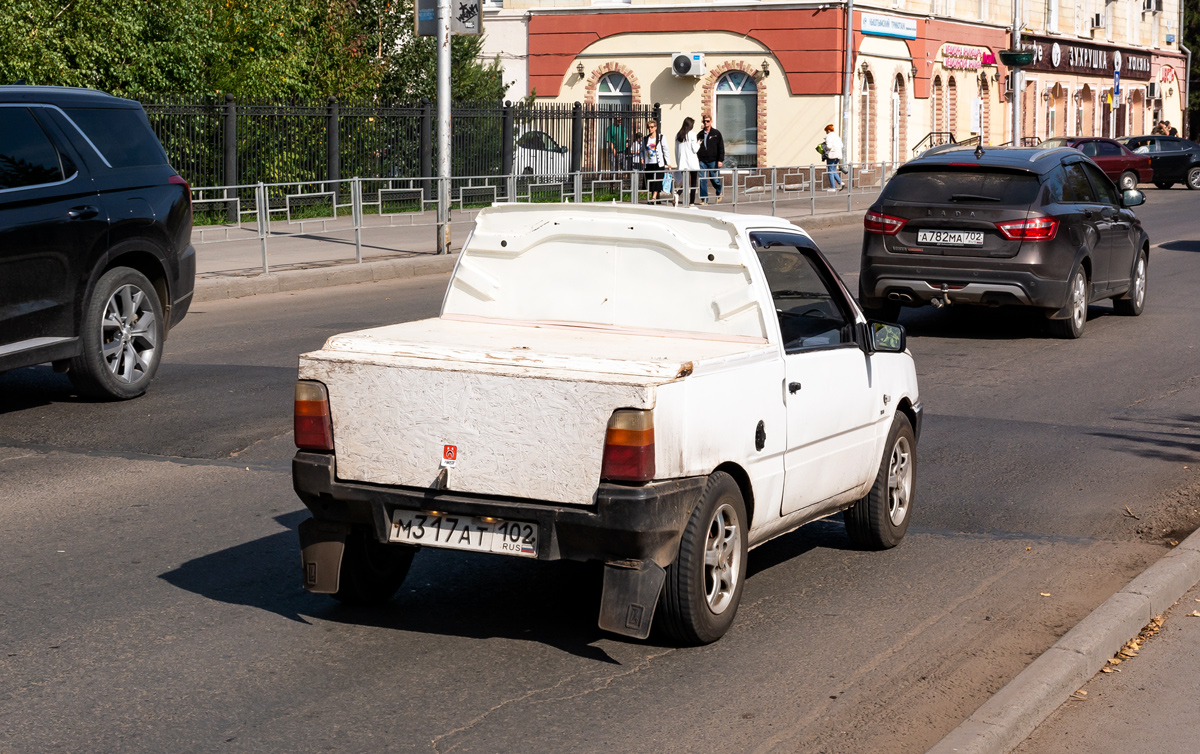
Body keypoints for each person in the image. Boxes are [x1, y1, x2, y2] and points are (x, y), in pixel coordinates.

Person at [696, 114, 725, 204]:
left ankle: (719, 191)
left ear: (711, 122)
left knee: (714, 179)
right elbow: (696, 146)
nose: (706, 123)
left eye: (708, 121)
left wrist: (720, 160)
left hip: (713, 160)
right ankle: (704, 199)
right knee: (702, 179)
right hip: (702, 161)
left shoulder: (716, 133)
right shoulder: (700, 134)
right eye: (704, 121)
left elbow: (721, 147)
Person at [640, 120, 670, 201]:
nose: (650, 129)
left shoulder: (661, 138)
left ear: (656, 128)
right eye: (649, 127)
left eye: (652, 127)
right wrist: (642, 157)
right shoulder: (645, 139)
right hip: (649, 163)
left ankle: (654, 197)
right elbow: (642, 150)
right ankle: (657, 196)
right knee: (651, 181)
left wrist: (668, 162)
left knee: (657, 180)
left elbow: (665, 150)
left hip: (658, 163)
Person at [676, 117, 700, 206]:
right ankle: (692, 202)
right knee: (693, 182)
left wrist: (678, 162)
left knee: (685, 182)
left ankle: (677, 194)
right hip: (692, 163)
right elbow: (695, 150)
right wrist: (698, 144)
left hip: (682, 162)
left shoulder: (678, 135)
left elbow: (676, 150)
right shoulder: (692, 134)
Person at [822, 124, 844, 191]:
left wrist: (824, 148)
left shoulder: (829, 136)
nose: (826, 132)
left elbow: (829, 146)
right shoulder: (837, 136)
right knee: (833, 170)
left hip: (832, 155)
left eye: (826, 131)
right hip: (838, 155)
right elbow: (841, 145)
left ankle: (833, 187)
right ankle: (840, 182)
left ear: (828, 130)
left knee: (830, 171)